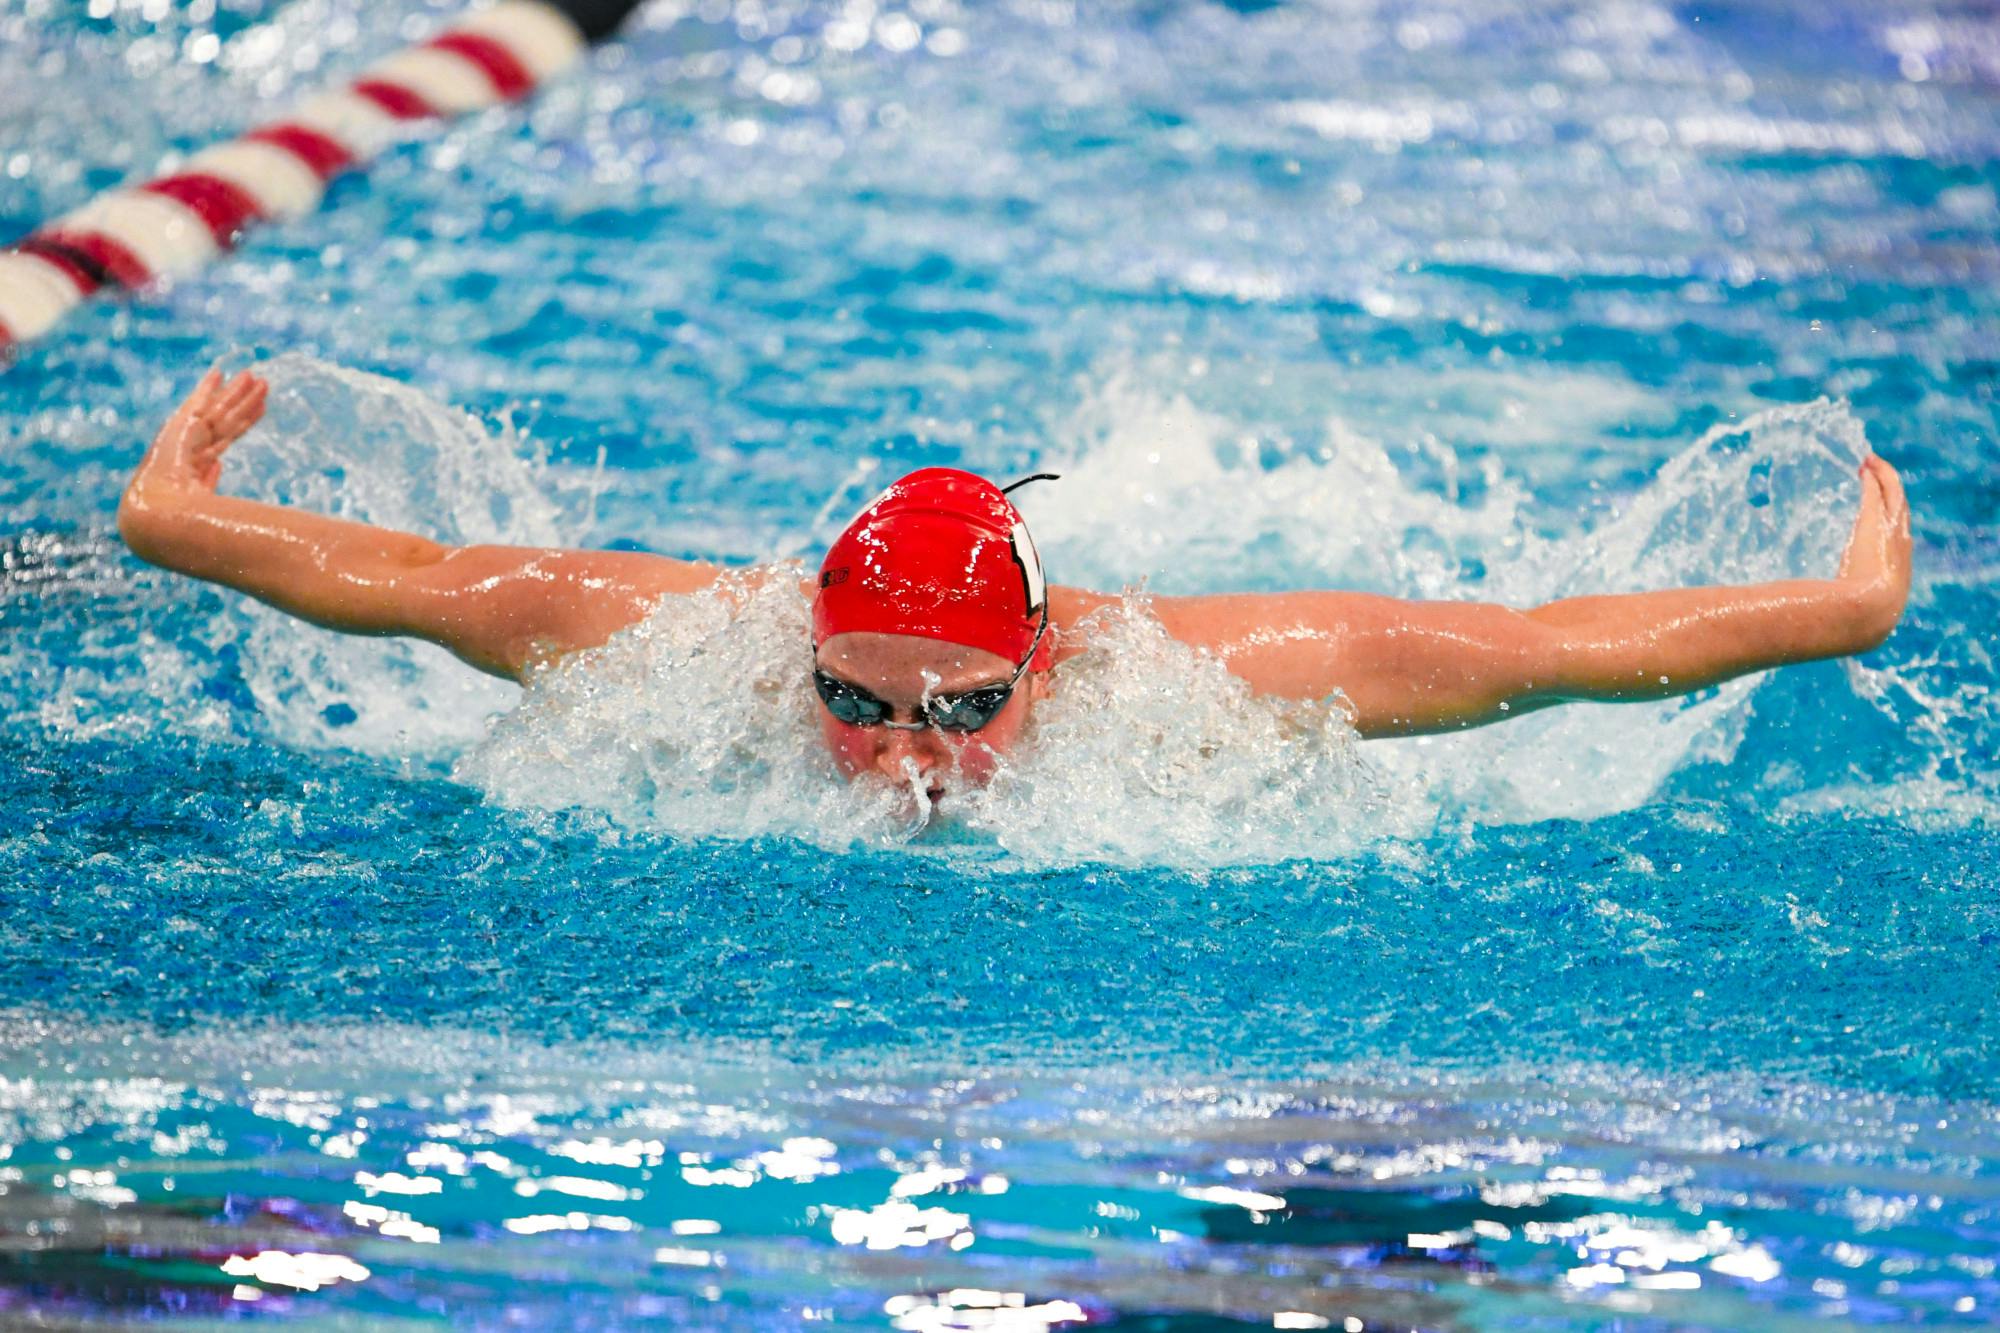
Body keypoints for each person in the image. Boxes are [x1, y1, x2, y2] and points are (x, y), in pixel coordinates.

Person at [119, 368, 1913, 802]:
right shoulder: (684, 647)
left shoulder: (1211, 678)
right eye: (857, 699)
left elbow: (1543, 654)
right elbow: (414, 578)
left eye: (967, 709)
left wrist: (1838, 610)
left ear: (1045, 662)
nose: (909, 756)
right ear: (798, 650)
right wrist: (175, 505)